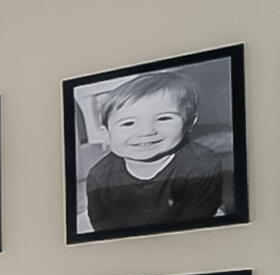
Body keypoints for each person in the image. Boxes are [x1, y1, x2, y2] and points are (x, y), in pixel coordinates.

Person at [82, 70, 226, 232]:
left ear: (189, 123)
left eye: (163, 118)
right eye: (128, 123)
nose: (146, 132)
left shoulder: (201, 165)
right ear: (106, 134)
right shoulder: (99, 176)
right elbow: (101, 222)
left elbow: (196, 222)